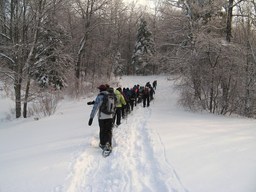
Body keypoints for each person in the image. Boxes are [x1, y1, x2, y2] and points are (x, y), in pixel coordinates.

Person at [88, 84, 114, 150]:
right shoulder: (111, 95)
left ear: (100, 90)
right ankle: (109, 143)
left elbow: (95, 107)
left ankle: (102, 144)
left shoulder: (100, 96)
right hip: (110, 116)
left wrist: (91, 117)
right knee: (108, 131)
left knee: (102, 130)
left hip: (102, 117)